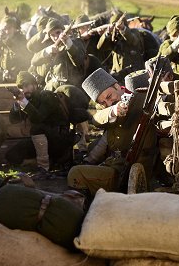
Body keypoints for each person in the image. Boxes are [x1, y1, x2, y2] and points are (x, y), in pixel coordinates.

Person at [67, 68, 157, 197]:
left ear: (117, 86)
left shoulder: (140, 98)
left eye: (109, 96)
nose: (108, 102)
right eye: (103, 102)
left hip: (130, 170)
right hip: (116, 165)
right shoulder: (109, 108)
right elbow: (96, 119)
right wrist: (113, 110)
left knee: (75, 173)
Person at [5, 71, 75, 177]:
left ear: (35, 85)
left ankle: (43, 168)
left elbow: (38, 118)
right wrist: (17, 104)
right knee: (11, 155)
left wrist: (24, 101)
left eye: (27, 85)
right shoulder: (28, 100)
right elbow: (13, 120)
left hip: (59, 139)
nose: (24, 90)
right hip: (42, 143)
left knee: (36, 128)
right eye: (21, 87)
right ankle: (48, 162)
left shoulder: (46, 96)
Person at [31, 17, 88, 91]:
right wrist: (47, 51)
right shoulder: (51, 46)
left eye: (58, 32)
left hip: (72, 88)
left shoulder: (76, 42)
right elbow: (34, 61)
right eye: (52, 35)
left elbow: (79, 61)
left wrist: (68, 44)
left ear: (63, 31)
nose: (55, 37)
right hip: (53, 86)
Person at [96, 11, 145, 81]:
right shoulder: (113, 37)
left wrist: (123, 29)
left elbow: (133, 41)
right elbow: (100, 47)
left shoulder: (134, 32)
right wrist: (107, 33)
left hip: (133, 72)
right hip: (117, 73)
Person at [0, 14, 33, 84]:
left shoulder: (21, 39)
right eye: (5, 28)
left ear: (15, 29)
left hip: (18, 75)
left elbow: (18, 50)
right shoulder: (3, 38)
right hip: (4, 75)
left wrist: (6, 40)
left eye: (9, 28)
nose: (7, 31)